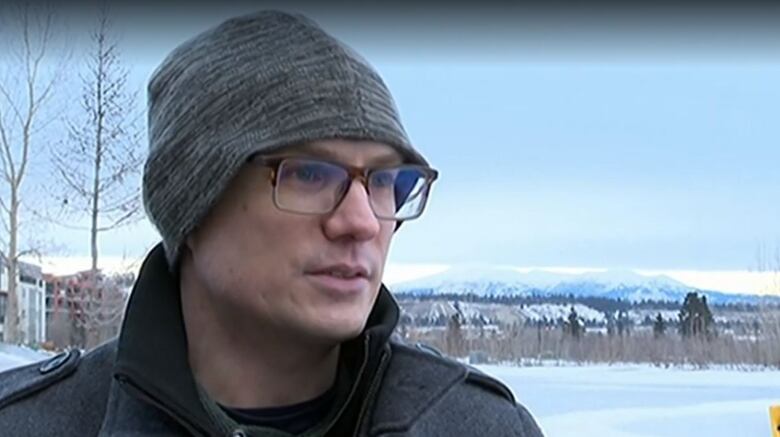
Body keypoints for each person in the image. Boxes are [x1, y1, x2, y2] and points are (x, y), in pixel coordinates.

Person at [0, 10, 543, 437]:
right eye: (309, 173)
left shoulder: (479, 427)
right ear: (192, 201)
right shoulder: (34, 424)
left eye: (385, 182)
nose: (361, 222)